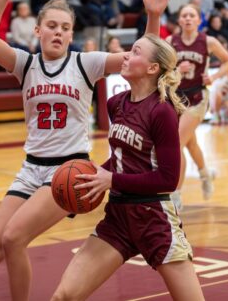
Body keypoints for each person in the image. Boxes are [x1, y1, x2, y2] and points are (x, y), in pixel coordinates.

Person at [0, 0, 171, 301]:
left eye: (65, 28)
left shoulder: (85, 63)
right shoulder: (25, 63)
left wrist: (154, 16)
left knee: (12, 238)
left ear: (72, 33)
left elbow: (143, 59)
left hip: (68, 170)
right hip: (30, 168)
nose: (58, 32)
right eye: (52, 26)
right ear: (38, 30)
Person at [51, 33, 204, 301]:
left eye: (134, 52)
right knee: (64, 296)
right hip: (118, 216)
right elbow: (122, 159)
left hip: (154, 217)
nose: (125, 55)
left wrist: (112, 180)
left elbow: (167, 179)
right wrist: (88, 181)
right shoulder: (116, 103)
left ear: (152, 68)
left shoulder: (162, 112)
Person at [166, 4, 228, 210]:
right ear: (179, 21)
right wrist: (176, 69)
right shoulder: (171, 42)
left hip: (197, 97)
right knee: (189, 143)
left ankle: (176, 196)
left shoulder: (208, 41)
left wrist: (213, 76)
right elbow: (161, 69)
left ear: (199, 20)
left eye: (192, 15)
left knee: (176, 142)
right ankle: (206, 174)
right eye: (184, 15)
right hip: (176, 97)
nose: (187, 18)